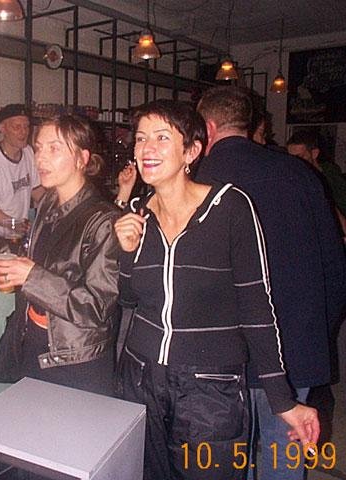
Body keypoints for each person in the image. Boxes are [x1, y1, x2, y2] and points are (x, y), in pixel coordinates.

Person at [114, 99, 320, 480]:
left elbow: (257, 309)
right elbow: (128, 298)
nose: (147, 148)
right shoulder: (138, 212)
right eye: (141, 138)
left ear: (191, 151)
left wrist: (281, 399)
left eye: (161, 137)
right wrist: (126, 254)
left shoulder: (229, 207)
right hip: (141, 379)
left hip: (210, 389)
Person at [196, 86, 346, 480]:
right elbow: (335, 269)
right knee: (284, 457)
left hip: (223, 353)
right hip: (295, 345)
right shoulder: (299, 173)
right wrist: (317, 332)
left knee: (233, 458)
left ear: (207, 127)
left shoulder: (198, 179)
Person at [0, 114, 121, 395]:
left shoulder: (103, 220)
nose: (40, 158)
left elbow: (97, 307)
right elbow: (33, 262)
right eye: (38, 149)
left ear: (82, 158)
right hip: (36, 343)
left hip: (75, 359)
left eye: (54, 148)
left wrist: (32, 277)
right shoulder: (48, 203)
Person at [0, 103, 45, 235]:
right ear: (3, 128)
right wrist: (14, 224)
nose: (24, 132)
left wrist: (56, 205)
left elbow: (36, 190)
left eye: (26, 126)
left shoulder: (28, 153)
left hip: (13, 233)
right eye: (17, 127)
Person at [286, 129, 346, 239]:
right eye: (291, 158)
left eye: (300, 157)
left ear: (314, 153)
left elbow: (339, 217)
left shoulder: (331, 177)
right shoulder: (291, 176)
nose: (294, 163)